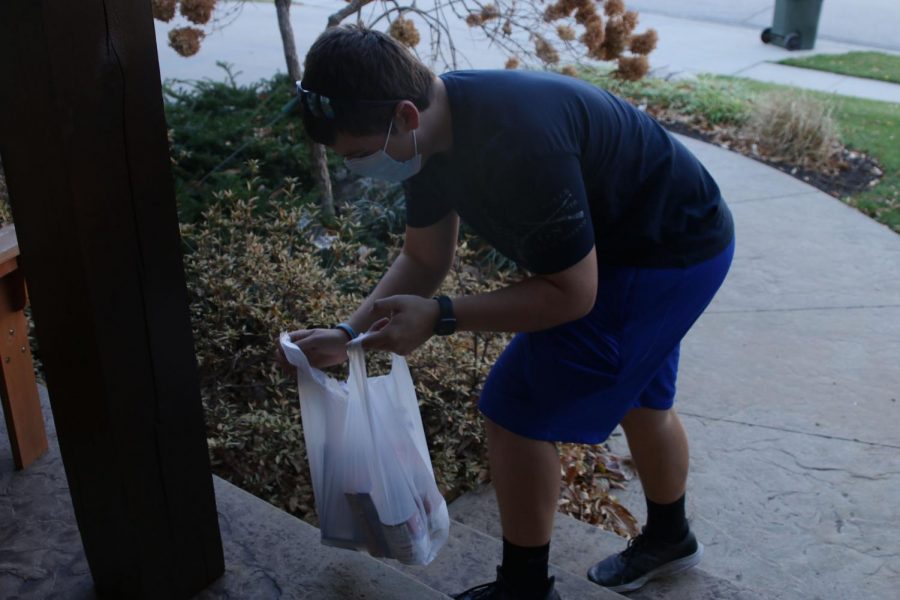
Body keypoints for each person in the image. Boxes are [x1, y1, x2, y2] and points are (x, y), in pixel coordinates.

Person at [276, 24, 734, 600]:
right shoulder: (429, 138)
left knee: (515, 408)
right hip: (651, 236)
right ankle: (671, 538)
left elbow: (571, 295)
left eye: (360, 154)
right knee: (641, 398)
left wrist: (441, 316)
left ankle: (525, 590)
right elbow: (423, 257)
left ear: (404, 116)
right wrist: (349, 334)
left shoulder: (518, 143)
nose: (356, 169)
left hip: (665, 252)